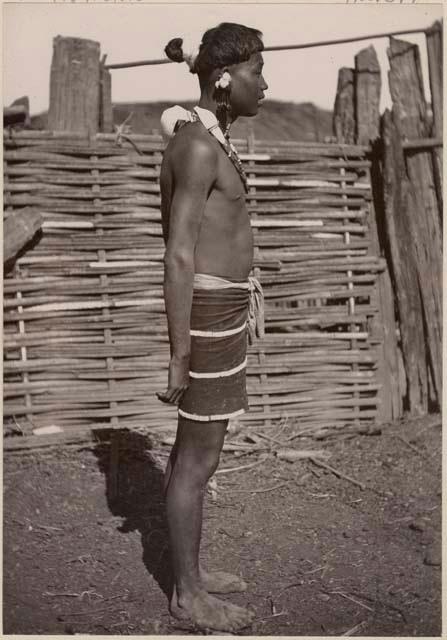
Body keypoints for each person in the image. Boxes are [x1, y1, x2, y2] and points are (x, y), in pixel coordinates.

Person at [157, 22, 268, 632]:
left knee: (192, 451)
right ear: (225, 79)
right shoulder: (198, 146)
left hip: (219, 313)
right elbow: (177, 253)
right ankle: (186, 596)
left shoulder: (207, 138)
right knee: (199, 459)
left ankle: (191, 574)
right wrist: (180, 354)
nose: (265, 84)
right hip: (204, 319)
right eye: (257, 71)